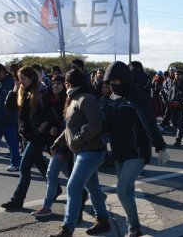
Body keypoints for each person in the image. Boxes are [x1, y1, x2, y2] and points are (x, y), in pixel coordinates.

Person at [102, 61, 170, 237]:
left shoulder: (137, 96)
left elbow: (149, 123)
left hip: (137, 150)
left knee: (122, 190)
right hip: (118, 151)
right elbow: (106, 126)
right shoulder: (111, 99)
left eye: (118, 80)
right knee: (128, 190)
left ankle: (134, 228)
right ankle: (135, 226)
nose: (115, 84)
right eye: (112, 81)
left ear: (125, 79)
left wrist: (160, 147)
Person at [49, 69, 110, 237]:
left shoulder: (86, 99)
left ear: (69, 84)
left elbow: (96, 125)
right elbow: (70, 126)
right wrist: (59, 141)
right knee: (94, 189)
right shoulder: (75, 98)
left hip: (90, 151)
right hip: (82, 150)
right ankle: (103, 221)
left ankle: (67, 228)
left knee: (73, 187)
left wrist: (77, 140)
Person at [1, 66, 50, 210]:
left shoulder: (41, 91)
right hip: (26, 134)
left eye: (23, 78)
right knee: (41, 165)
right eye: (19, 78)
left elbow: (47, 111)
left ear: (32, 78)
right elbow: (9, 107)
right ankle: (56, 188)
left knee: (24, 167)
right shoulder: (22, 90)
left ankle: (17, 200)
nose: (20, 81)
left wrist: (45, 124)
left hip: (38, 135)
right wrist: (14, 91)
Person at [30, 74, 69, 218]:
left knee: (56, 174)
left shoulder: (68, 100)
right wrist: (48, 125)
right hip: (54, 143)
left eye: (59, 83)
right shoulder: (48, 100)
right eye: (54, 84)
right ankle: (96, 194)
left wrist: (57, 130)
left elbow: (69, 124)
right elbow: (48, 117)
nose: (56, 86)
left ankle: (46, 207)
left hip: (66, 144)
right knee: (60, 174)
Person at [162, 69, 183, 146]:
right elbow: (169, 92)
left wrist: (182, 98)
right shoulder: (172, 82)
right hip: (172, 105)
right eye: (176, 74)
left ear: (182, 75)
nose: (177, 75)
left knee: (180, 123)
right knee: (174, 123)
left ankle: (178, 140)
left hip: (181, 105)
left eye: (179, 74)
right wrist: (168, 100)